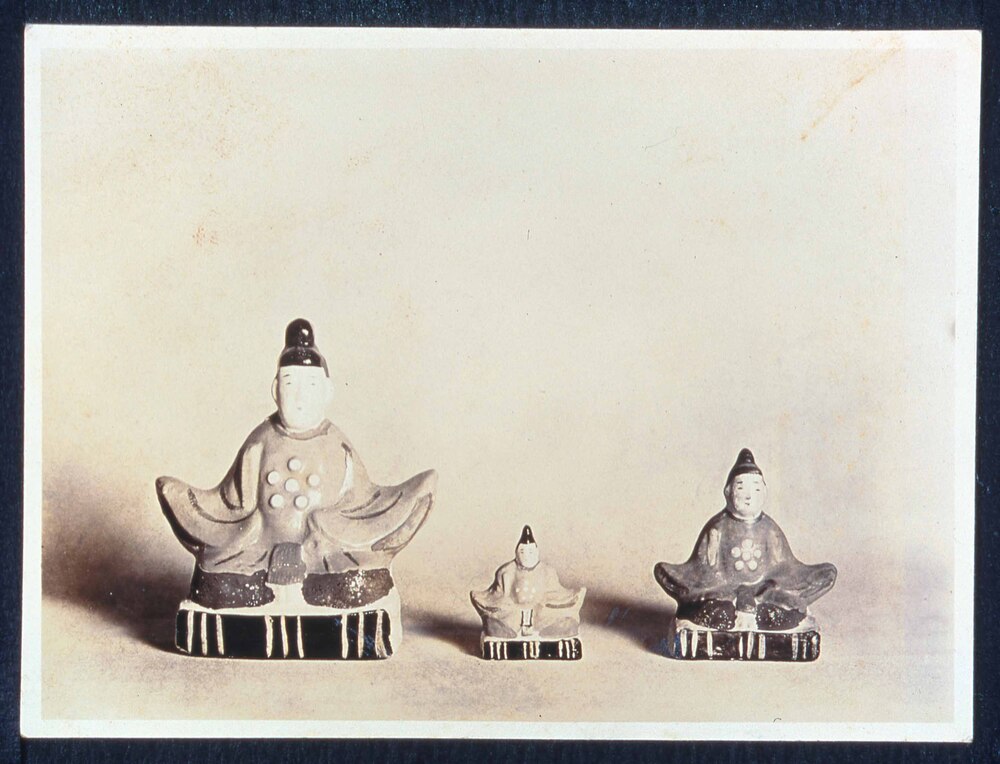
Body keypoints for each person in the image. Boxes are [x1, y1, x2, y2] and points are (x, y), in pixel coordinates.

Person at [156, 318, 436, 609]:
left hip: (324, 550)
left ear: (327, 391)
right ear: (276, 390)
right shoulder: (260, 441)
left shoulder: (337, 444)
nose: (300, 397)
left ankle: (317, 585)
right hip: (259, 548)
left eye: (311, 385)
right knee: (221, 584)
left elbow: (361, 501)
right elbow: (234, 503)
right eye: (290, 384)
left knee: (356, 581)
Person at [654, 449, 836, 631]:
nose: (749, 496)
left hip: (765, 590)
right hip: (724, 590)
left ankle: (759, 610)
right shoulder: (717, 528)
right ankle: (742, 611)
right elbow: (705, 569)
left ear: (764, 492)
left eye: (756, 489)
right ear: (728, 492)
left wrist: (768, 586)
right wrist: (729, 590)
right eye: (741, 488)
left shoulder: (769, 528)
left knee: (817, 582)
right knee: (701, 601)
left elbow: (784, 566)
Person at [471, 526, 586, 639]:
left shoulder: (547, 571)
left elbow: (555, 593)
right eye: (522, 552)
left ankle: (548, 627)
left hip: (540, 612)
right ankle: (507, 628)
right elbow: (497, 595)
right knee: (498, 617)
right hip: (514, 612)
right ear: (516, 553)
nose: (526, 556)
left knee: (559, 616)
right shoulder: (506, 572)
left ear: (536, 552)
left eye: (530, 552)